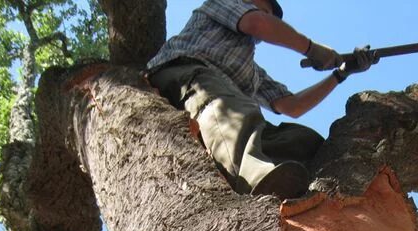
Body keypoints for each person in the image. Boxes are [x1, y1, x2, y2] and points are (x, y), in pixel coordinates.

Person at [146, 0, 376, 200]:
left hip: (227, 99)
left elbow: (292, 106)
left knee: (303, 140)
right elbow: (258, 24)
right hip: (183, 75)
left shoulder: (251, 72)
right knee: (233, 110)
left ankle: (309, 186)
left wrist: (341, 73)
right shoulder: (218, 5)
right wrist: (312, 49)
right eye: (261, 8)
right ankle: (255, 177)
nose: (265, 16)